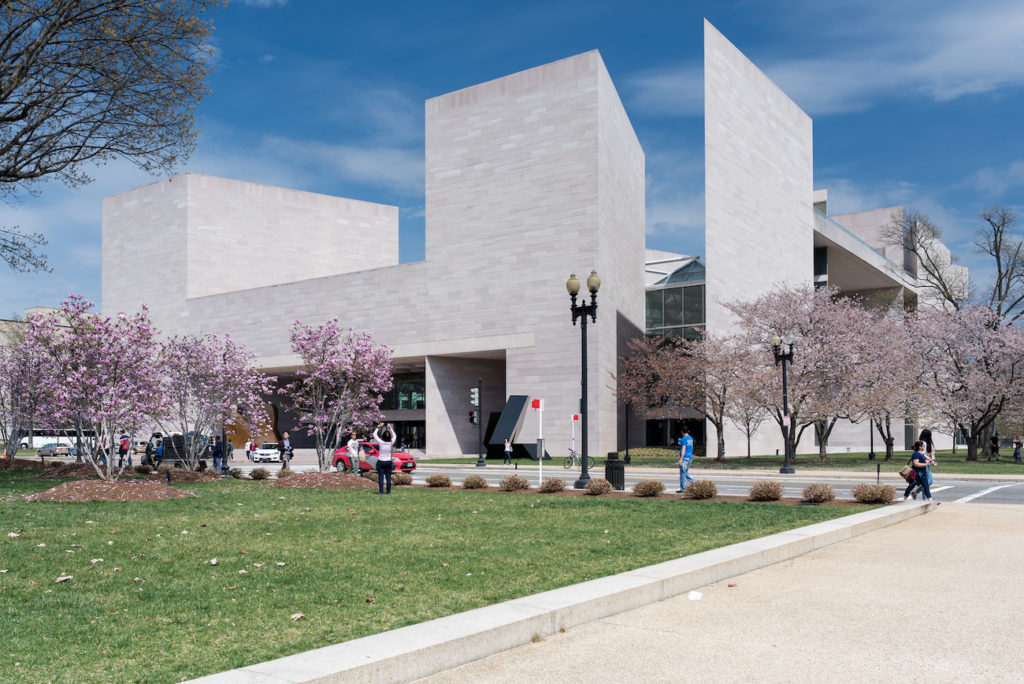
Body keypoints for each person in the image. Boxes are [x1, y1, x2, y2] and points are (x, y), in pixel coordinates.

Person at [373, 422, 396, 495]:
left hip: (381, 461)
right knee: (388, 477)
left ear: (382, 436)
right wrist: (390, 428)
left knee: (381, 478)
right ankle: (388, 491)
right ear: (389, 437)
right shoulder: (391, 443)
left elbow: (374, 434)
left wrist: (379, 427)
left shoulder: (380, 442)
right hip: (388, 461)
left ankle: (381, 491)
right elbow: (395, 436)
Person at [676, 427, 695, 493]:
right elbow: (691, 448)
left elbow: (684, 448)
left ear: (682, 431)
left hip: (685, 458)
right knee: (685, 472)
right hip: (689, 457)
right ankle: (694, 482)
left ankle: (683, 488)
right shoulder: (690, 438)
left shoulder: (684, 439)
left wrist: (681, 459)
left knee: (682, 474)